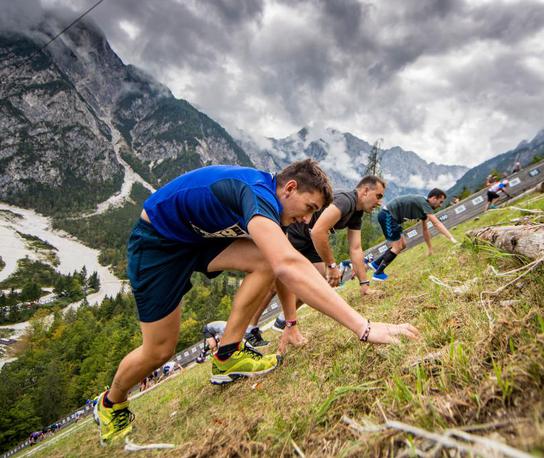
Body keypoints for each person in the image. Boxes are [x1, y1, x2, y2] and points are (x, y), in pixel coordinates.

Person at [93, 160, 419, 445]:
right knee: (159, 351)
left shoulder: (273, 204)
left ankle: (228, 354)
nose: (307, 220)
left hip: (197, 239)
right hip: (158, 244)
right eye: (308, 208)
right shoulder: (259, 194)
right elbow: (289, 266)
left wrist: (291, 324)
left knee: (265, 259)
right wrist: (364, 327)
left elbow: (280, 266)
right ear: (289, 188)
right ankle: (111, 402)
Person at [273, 175, 387, 351]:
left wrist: (365, 286)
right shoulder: (345, 200)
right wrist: (332, 266)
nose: (379, 202)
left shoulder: (356, 213)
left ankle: (284, 319)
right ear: (365, 191)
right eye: (378, 196)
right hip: (296, 233)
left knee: (317, 280)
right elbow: (319, 231)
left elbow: (355, 248)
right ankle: (251, 328)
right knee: (272, 280)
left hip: (309, 239)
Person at [369, 189, 457, 281]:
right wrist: (452, 239)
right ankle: (378, 273)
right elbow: (437, 223)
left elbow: (425, 230)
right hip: (387, 215)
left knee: (403, 245)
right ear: (434, 198)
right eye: (440, 202)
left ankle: (376, 264)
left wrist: (430, 248)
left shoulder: (423, 209)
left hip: (391, 217)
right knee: (397, 247)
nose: (441, 205)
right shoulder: (424, 203)